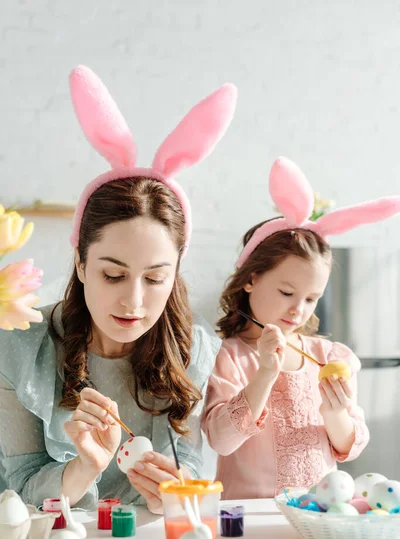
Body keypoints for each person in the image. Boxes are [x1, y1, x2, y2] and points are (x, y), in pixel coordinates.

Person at [0, 65, 237, 513]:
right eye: (113, 275)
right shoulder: (21, 348)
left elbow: (188, 462)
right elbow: (21, 487)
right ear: (81, 263)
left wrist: (174, 487)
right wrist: (85, 467)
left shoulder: (193, 348)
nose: (134, 301)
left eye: (154, 278)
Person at [202, 156, 400, 500]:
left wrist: (335, 412)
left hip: (319, 517)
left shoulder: (329, 356)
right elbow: (221, 439)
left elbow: (349, 447)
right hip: (253, 522)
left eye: (311, 298)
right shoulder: (229, 356)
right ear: (251, 279)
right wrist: (264, 373)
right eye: (287, 292)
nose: (299, 309)